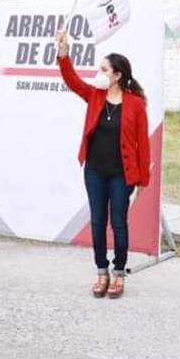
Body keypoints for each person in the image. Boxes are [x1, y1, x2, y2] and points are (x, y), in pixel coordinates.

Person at [55, 27, 151, 299]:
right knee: (97, 222)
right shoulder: (94, 95)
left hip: (121, 175)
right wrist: (64, 52)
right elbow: (72, 80)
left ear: (118, 76)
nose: (99, 74)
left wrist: (143, 180)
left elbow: (142, 145)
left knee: (118, 223)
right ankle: (101, 271)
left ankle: (119, 273)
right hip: (95, 172)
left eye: (104, 70)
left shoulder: (135, 105)